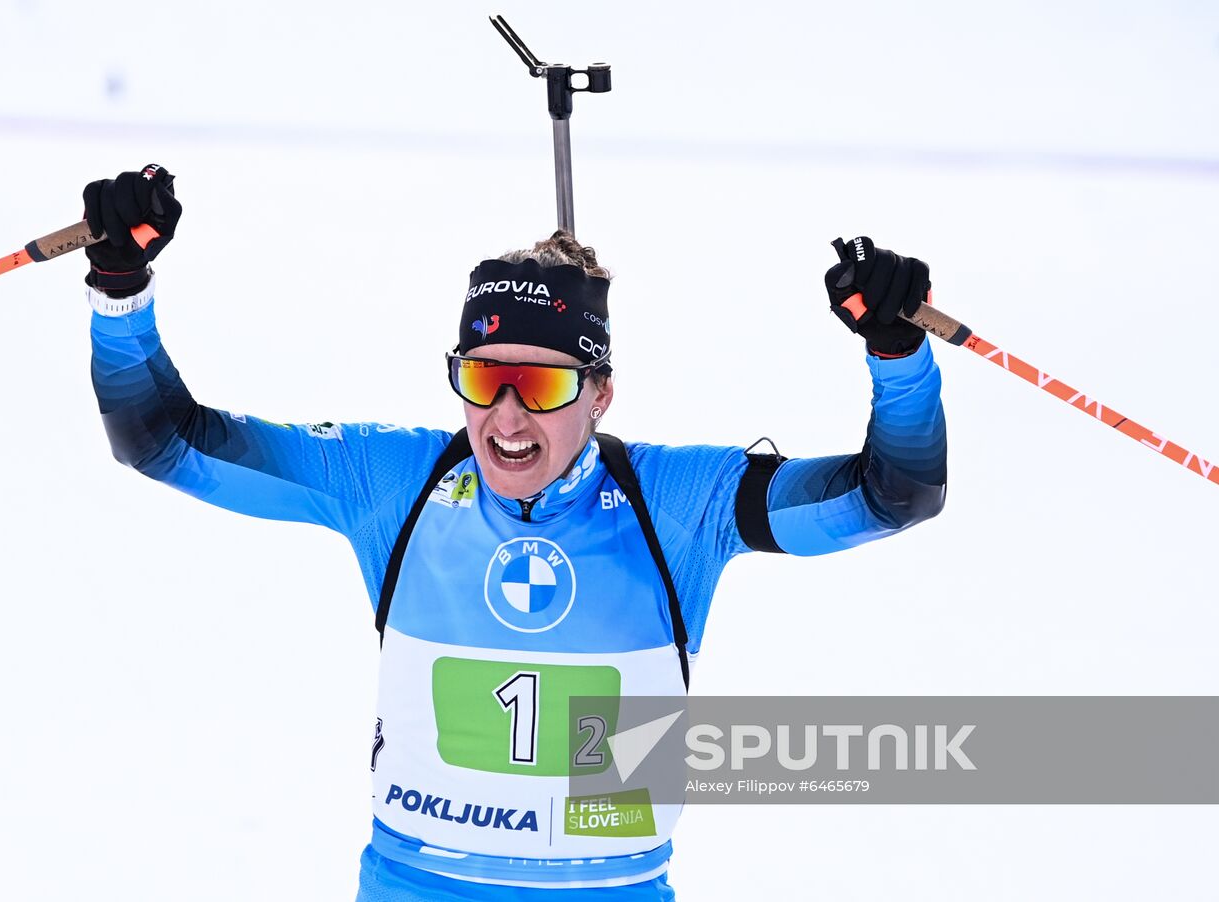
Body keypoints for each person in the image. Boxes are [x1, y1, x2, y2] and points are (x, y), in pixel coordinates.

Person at [82, 165, 947, 900]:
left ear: (601, 393)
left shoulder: (679, 503)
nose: (503, 417)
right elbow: (161, 440)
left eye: (538, 387)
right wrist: (122, 294)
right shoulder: (394, 483)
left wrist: (898, 356)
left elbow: (892, 494)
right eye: (481, 378)